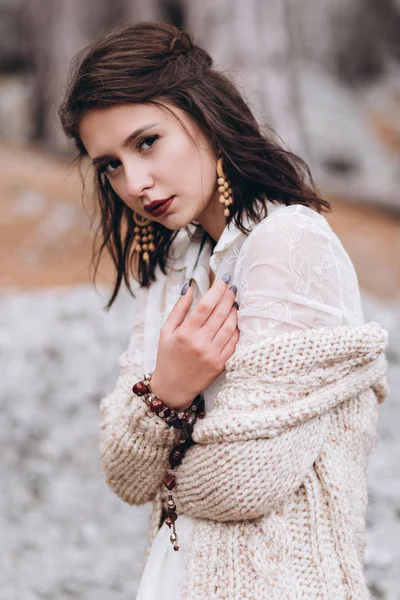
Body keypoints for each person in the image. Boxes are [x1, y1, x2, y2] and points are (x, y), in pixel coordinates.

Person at [59, 21, 388, 600]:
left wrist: (160, 429)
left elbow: (240, 481)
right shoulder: (172, 269)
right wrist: (169, 390)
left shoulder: (288, 244)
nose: (134, 182)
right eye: (109, 163)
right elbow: (122, 472)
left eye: (146, 142)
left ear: (205, 118)